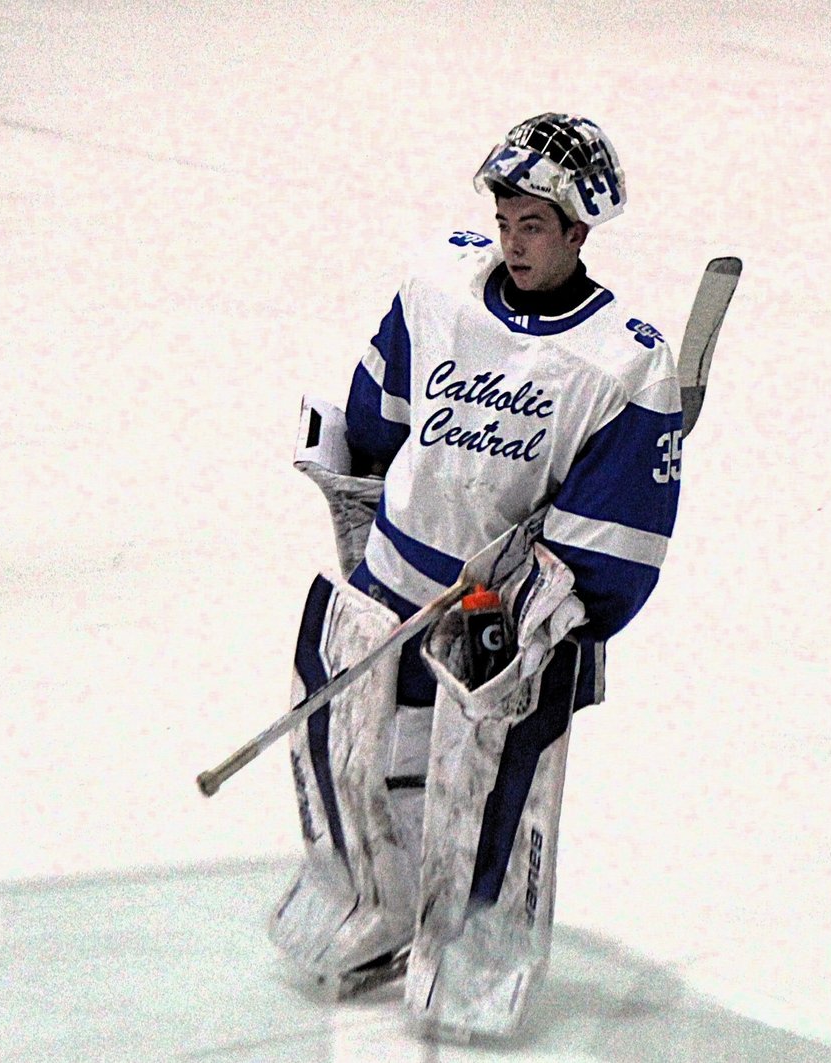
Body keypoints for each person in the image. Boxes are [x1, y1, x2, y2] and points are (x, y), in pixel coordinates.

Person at [270, 113, 683, 1040]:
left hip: (488, 617)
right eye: (505, 218)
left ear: (579, 231)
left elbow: (616, 544)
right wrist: (353, 484)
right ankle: (364, 905)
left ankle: (471, 960)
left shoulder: (621, 364)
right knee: (345, 745)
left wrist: (547, 601)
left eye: (534, 224)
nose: (513, 240)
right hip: (388, 579)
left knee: (484, 790)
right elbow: (381, 408)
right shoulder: (441, 285)